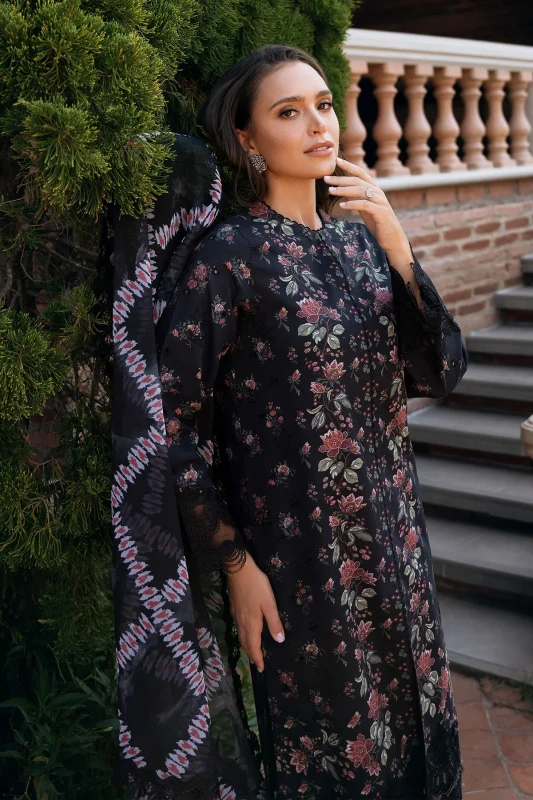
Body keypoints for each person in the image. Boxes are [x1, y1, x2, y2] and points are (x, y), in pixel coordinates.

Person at [155, 43, 467, 800]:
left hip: (397, 544)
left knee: (420, 744)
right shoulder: (227, 257)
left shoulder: (360, 241)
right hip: (303, 563)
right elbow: (174, 427)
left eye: (323, 105)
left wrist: (396, 243)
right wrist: (236, 566)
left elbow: (438, 372)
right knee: (337, 758)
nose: (319, 124)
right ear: (247, 139)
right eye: (289, 112)